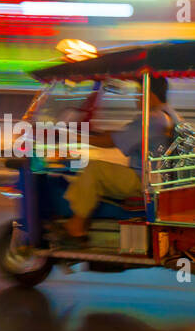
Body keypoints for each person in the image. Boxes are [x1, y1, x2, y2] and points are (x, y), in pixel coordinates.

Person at [62, 75, 180, 245]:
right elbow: (123, 134)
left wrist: (74, 136)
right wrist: (96, 133)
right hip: (158, 178)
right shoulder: (167, 114)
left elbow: (111, 142)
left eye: (139, 93)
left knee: (96, 170)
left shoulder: (151, 119)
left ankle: (76, 227)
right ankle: (88, 218)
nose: (135, 98)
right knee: (105, 171)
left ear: (150, 95)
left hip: (145, 181)